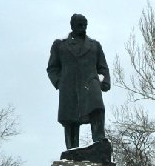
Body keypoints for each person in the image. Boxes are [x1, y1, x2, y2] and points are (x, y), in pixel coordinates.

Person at [47, 13, 111, 150]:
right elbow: (53, 67)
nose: (83, 28)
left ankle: (99, 142)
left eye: (85, 25)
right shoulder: (60, 45)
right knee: (70, 119)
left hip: (90, 83)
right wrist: (59, 82)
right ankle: (72, 150)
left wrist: (105, 81)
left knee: (97, 109)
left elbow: (102, 67)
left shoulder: (95, 45)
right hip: (69, 86)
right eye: (80, 25)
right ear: (72, 26)